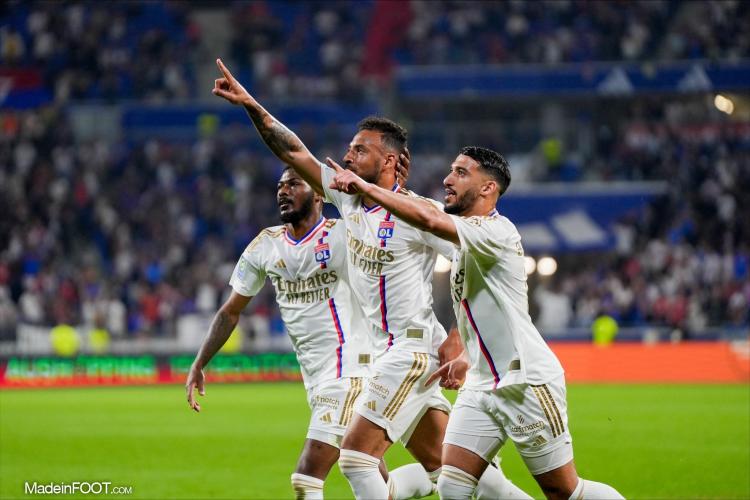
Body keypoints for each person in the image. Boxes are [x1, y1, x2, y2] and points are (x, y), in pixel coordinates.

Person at [210, 59, 529, 499]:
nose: (347, 157)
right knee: (449, 470)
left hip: (412, 350)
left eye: (360, 150)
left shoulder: (418, 214)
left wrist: (459, 337)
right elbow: (292, 151)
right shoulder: (350, 200)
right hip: (387, 354)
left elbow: (470, 267)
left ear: (390, 160)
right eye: (349, 149)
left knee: (356, 459)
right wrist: (250, 104)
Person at [328, 145, 625, 499]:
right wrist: (467, 352)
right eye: (451, 170)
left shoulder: (495, 232)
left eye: (460, 172)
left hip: (524, 382)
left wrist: (369, 188)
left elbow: (428, 220)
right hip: (481, 385)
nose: (447, 179)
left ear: (488, 189)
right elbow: (478, 306)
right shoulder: (465, 233)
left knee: (564, 491)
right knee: (452, 486)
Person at [185, 168, 440, 499]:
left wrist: (391, 184)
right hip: (317, 377)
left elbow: (383, 235)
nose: (283, 191)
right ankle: (450, 475)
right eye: (279, 185)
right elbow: (230, 310)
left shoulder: (345, 236)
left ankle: (453, 473)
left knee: (306, 477)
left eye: (293, 183)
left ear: (319, 194)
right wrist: (199, 362)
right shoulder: (266, 245)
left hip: (353, 370)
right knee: (379, 480)